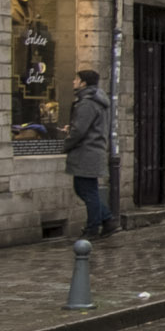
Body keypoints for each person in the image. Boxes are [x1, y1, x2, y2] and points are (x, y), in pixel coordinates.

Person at [63, 70, 113, 238]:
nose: (73, 82)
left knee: (86, 189)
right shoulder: (95, 101)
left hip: (87, 151)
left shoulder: (87, 102)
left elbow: (80, 130)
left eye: (76, 79)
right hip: (92, 150)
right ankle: (107, 219)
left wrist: (67, 143)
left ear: (83, 83)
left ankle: (93, 227)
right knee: (86, 189)